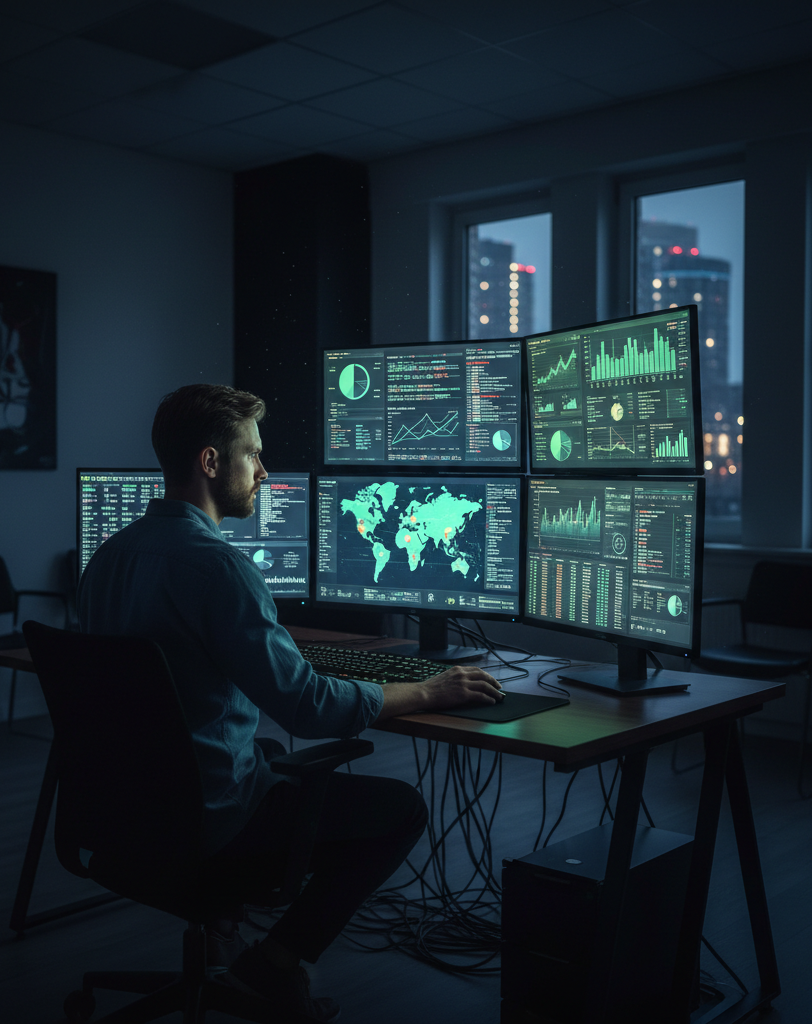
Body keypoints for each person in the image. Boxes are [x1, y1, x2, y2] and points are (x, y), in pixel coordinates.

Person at [78, 383, 501, 1022]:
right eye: (252, 455)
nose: (264, 472)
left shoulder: (106, 560)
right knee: (401, 808)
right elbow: (306, 705)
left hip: (119, 816)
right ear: (211, 462)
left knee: (268, 751)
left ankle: (222, 929)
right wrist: (427, 689)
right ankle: (272, 966)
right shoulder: (218, 568)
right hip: (207, 821)